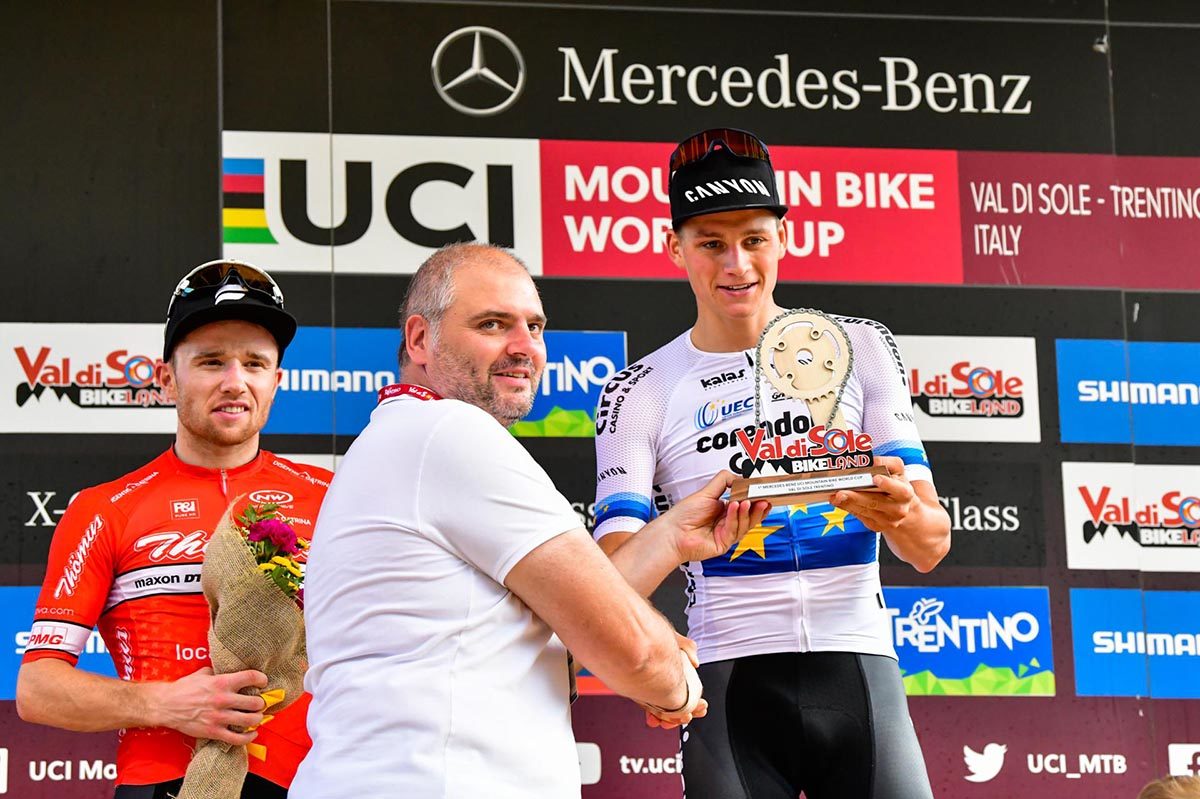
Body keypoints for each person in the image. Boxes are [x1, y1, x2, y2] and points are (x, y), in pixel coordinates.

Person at [291, 242, 768, 799]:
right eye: (493, 324)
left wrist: (668, 536)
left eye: (535, 327)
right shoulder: (449, 433)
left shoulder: (404, 437)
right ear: (421, 339)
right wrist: (679, 686)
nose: (524, 348)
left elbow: (569, 606)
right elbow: (627, 645)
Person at [593, 129, 952, 799]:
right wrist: (674, 539)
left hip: (861, 669)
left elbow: (930, 546)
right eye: (711, 243)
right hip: (729, 685)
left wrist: (901, 514)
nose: (736, 265)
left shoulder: (861, 348)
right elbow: (607, 589)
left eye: (755, 239)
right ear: (675, 248)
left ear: (783, 239)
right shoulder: (639, 389)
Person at [16, 260, 333, 799]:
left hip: (314, 781)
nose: (235, 382)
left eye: (254, 363)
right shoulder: (104, 508)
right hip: (163, 783)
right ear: (167, 377)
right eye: (211, 362)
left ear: (277, 381)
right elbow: (37, 689)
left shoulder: (333, 497)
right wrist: (165, 703)